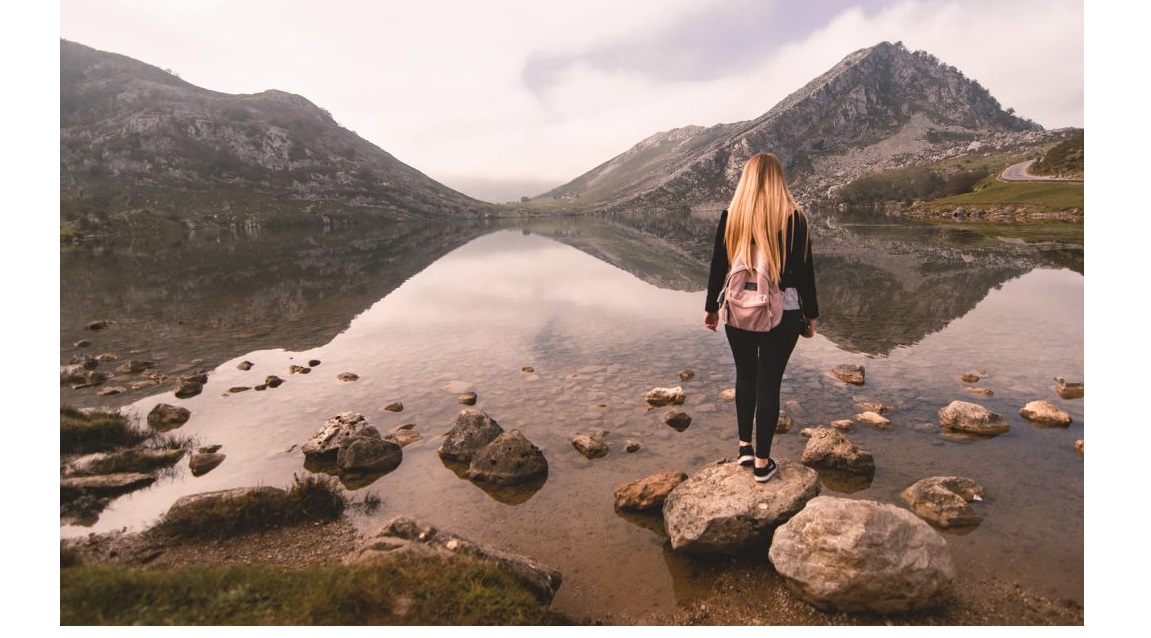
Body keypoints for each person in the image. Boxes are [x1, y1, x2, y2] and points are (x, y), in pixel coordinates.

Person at [704, 152, 819, 483]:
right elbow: (805, 273)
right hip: (783, 312)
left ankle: (743, 448)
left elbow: (718, 268)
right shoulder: (794, 218)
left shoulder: (732, 216)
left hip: (738, 309)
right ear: (778, 180)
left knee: (744, 375)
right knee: (769, 382)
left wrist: (712, 307)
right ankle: (762, 462)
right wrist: (811, 315)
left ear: (746, 180)